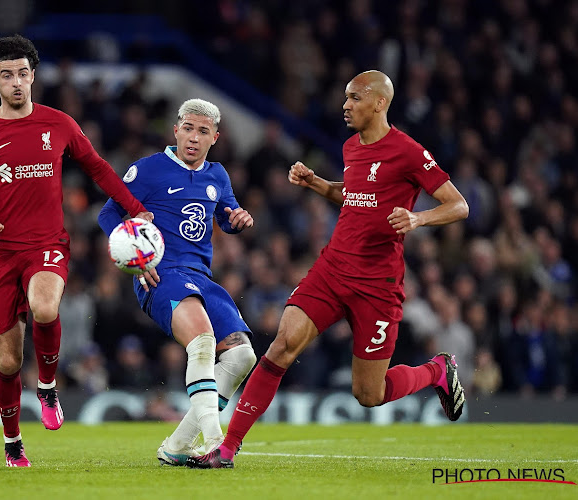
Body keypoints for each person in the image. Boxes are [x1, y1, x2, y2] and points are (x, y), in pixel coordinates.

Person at [188, 70, 470, 469]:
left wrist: (418, 219)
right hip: (333, 268)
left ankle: (436, 370)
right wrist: (318, 184)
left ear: (379, 103)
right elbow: (354, 194)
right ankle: (227, 448)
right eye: (345, 97)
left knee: (369, 394)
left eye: (355, 98)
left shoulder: (408, 151)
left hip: (378, 283)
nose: (345, 105)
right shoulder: (351, 147)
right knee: (282, 345)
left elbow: (459, 205)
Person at [0, 34, 152, 467]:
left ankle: (47, 386)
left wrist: (136, 209)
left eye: (23, 74)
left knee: (45, 307)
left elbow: (99, 168)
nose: (17, 83)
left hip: (46, 244)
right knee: (8, 362)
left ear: (33, 76)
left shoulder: (59, 124)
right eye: (7, 75)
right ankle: (13, 442)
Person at [98, 98, 257, 466]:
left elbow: (227, 217)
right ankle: (216, 441)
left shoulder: (217, 175)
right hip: (160, 275)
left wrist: (239, 219)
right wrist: (134, 256)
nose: (193, 137)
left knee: (242, 356)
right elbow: (108, 213)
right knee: (202, 343)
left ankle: (176, 446)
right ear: (176, 130)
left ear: (214, 138)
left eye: (202, 132)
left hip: (202, 277)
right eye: (188, 128)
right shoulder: (147, 170)